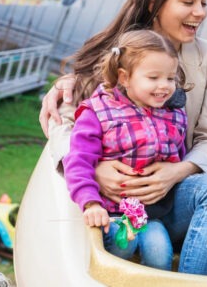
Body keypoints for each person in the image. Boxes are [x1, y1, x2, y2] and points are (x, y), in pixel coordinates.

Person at [40, 0, 207, 278]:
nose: (200, 13)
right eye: (188, 2)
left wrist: (175, 172)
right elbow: (68, 124)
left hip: (173, 191)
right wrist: (94, 169)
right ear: (156, 2)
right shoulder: (119, 54)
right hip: (117, 197)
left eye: (205, 3)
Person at [63, 30, 187, 271]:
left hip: (150, 214)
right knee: (124, 246)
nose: (164, 86)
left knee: (160, 254)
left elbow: (178, 156)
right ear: (125, 77)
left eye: (170, 78)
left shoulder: (175, 115)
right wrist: (91, 204)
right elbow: (78, 161)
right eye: (153, 78)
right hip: (111, 210)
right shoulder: (98, 112)